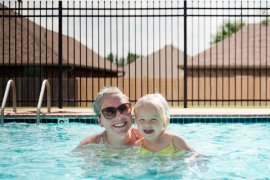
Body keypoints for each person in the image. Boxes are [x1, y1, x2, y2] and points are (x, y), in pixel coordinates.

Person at [77, 87, 142, 150]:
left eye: (123, 108)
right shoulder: (88, 148)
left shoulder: (147, 139)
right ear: (100, 121)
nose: (119, 115)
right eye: (109, 112)